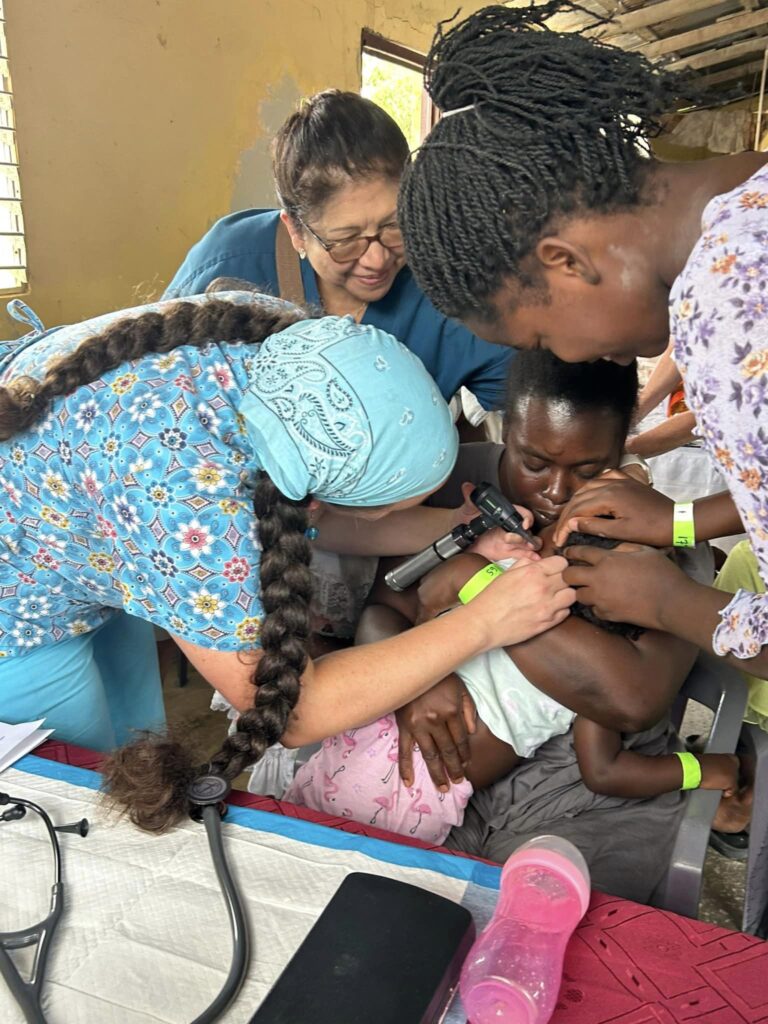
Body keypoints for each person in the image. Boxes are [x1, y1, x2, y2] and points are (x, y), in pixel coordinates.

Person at [0, 289, 573, 830]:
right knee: (70, 798)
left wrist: (456, 527)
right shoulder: (189, 508)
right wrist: (485, 622)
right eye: (387, 508)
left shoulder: (287, 352)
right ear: (315, 493)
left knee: (127, 737)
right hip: (16, 610)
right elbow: (295, 711)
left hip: (77, 525)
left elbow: (323, 515)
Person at [397, 1, 768, 680]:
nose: (570, 359)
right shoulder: (749, 187)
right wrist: (679, 524)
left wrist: (671, 603)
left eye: (541, 334)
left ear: (564, 262)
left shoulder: (728, 314)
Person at [285, 352, 730, 897]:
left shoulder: (655, 538)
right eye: (534, 462)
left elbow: (633, 699)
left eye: (589, 470)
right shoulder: (454, 488)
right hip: (421, 762)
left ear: (622, 449)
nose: (556, 492)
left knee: (519, 914)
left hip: (580, 792)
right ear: (506, 430)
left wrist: (476, 586)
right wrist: (418, 678)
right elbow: (385, 608)